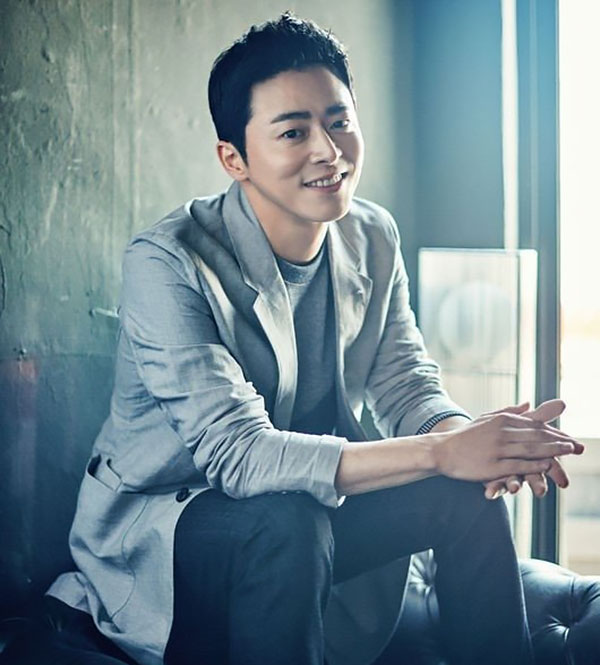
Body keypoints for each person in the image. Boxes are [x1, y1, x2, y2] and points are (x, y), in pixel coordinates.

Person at [46, 12, 583, 665]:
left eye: (339, 121)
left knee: (465, 490)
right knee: (287, 521)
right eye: (294, 132)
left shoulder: (371, 234)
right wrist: (442, 451)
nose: (329, 151)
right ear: (234, 159)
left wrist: (482, 443)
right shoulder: (168, 260)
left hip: (308, 507)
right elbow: (239, 455)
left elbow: (405, 383)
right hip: (172, 531)